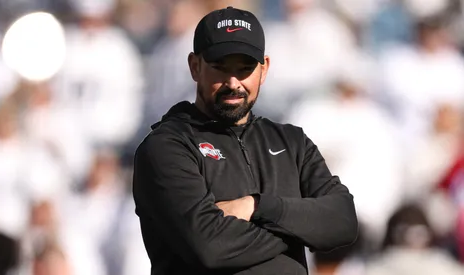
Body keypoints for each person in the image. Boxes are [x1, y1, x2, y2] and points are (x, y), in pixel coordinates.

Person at [132, 6, 358, 275]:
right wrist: (302, 229)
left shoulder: (291, 141)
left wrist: (258, 206)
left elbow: (343, 220)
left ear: (264, 69)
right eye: (220, 68)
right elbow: (210, 246)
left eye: (245, 68)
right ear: (195, 66)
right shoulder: (167, 146)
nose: (233, 82)